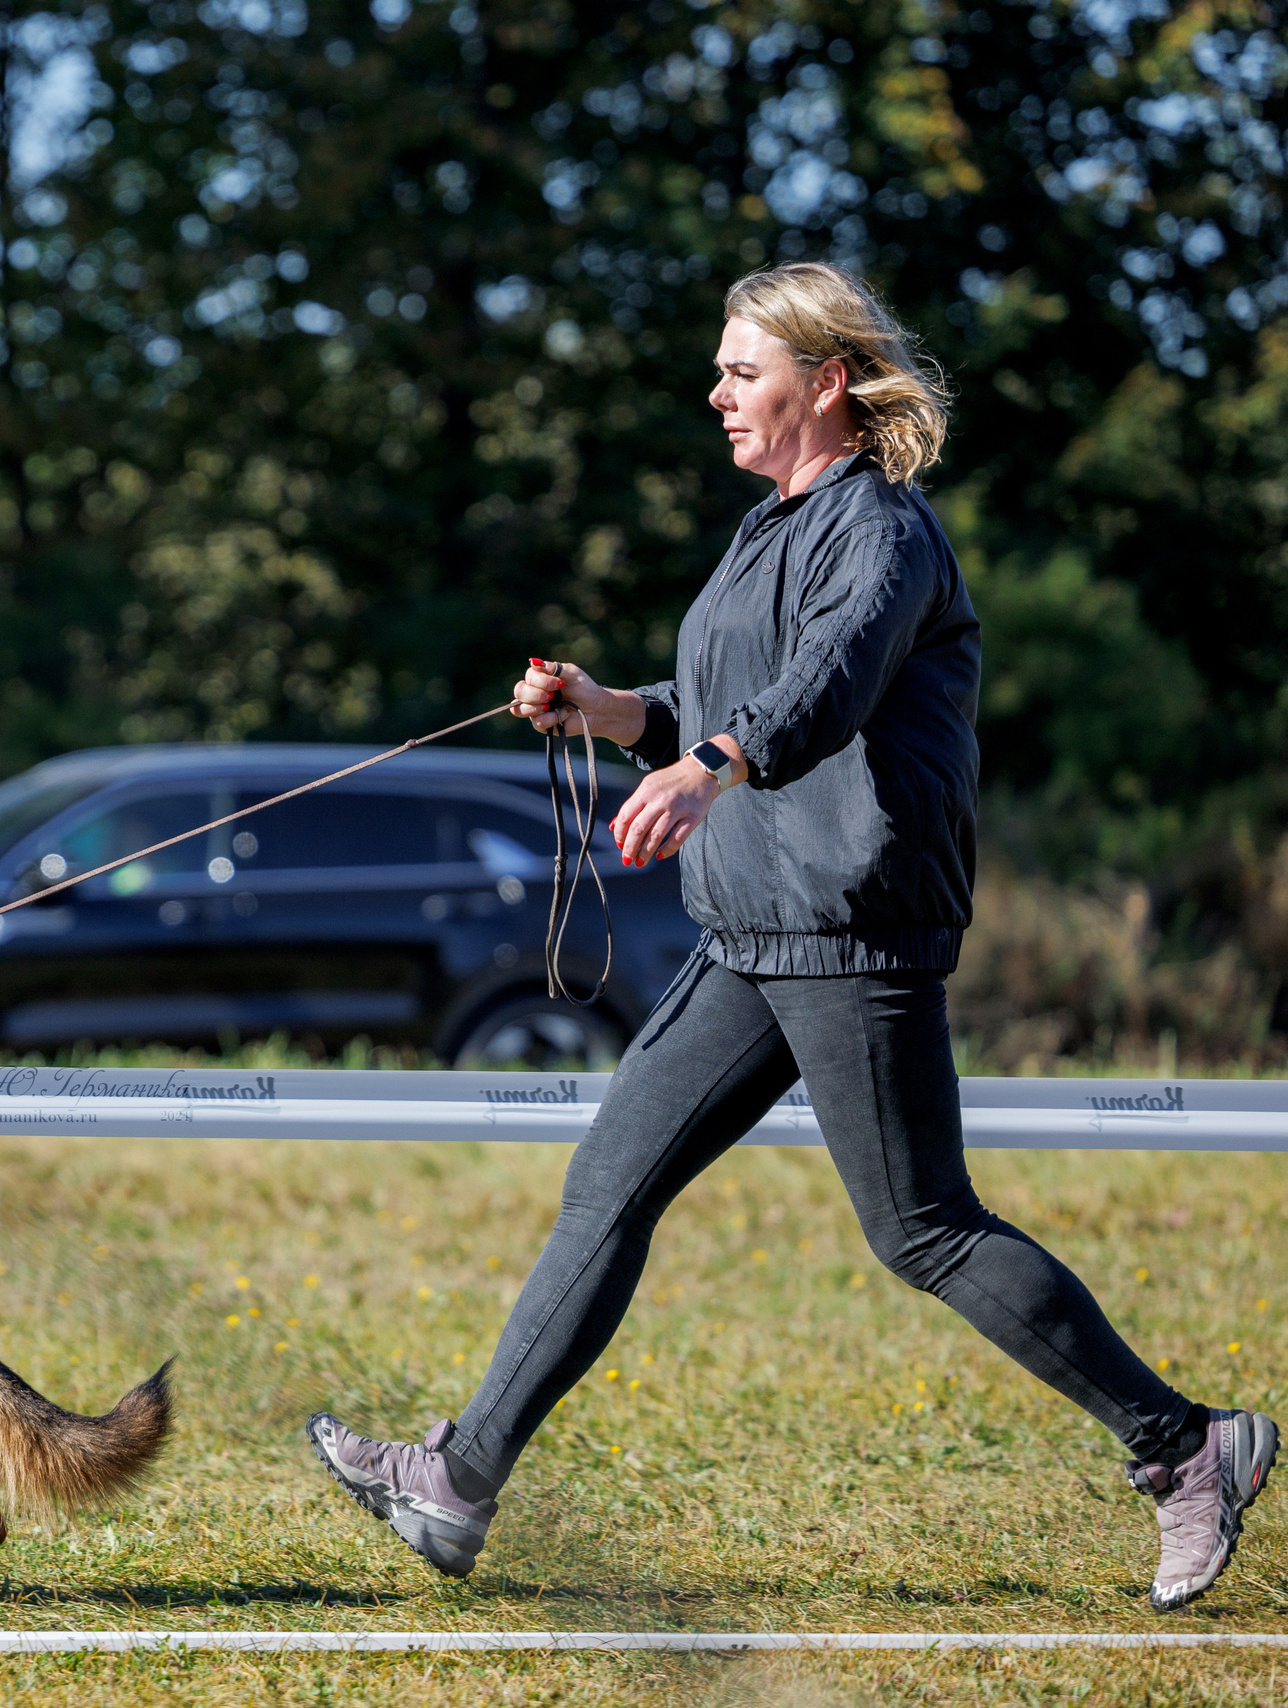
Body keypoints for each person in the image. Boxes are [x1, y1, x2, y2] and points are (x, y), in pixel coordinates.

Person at [306, 263, 1274, 1615]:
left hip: (854, 925)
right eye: (720, 370)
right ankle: (457, 1484)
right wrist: (606, 707)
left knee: (923, 1230)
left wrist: (714, 762)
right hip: (752, 927)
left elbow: (823, 687)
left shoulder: (883, 531)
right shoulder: (772, 526)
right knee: (611, 1185)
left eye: (742, 371)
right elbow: (723, 695)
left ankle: (1189, 1449)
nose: (717, 394)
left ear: (825, 382)